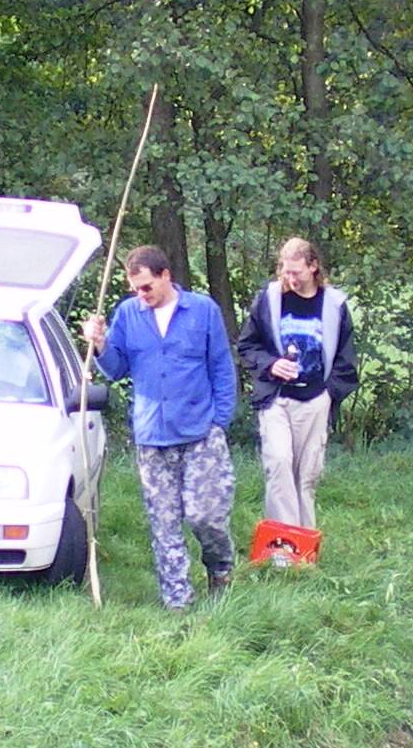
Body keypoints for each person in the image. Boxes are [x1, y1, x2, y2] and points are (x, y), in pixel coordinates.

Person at [84, 246, 238, 611]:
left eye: (147, 287)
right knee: (164, 524)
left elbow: (221, 367)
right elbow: (116, 368)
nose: (141, 295)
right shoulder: (128, 314)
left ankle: (220, 567)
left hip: (201, 433)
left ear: (166, 275)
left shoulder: (202, 311)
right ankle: (177, 601)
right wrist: (101, 343)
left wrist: (220, 422)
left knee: (206, 516)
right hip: (152, 436)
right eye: (135, 288)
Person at [235, 236, 359, 534]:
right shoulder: (269, 298)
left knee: (306, 476)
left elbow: (347, 359)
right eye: (285, 272)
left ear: (313, 267)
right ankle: (283, 543)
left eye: (297, 272)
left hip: (316, 398)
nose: (290, 279)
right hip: (276, 397)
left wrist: (330, 395)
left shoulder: (334, 305)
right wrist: (271, 364)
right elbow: (247, 345)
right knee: (278, 463)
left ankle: (304, 544)